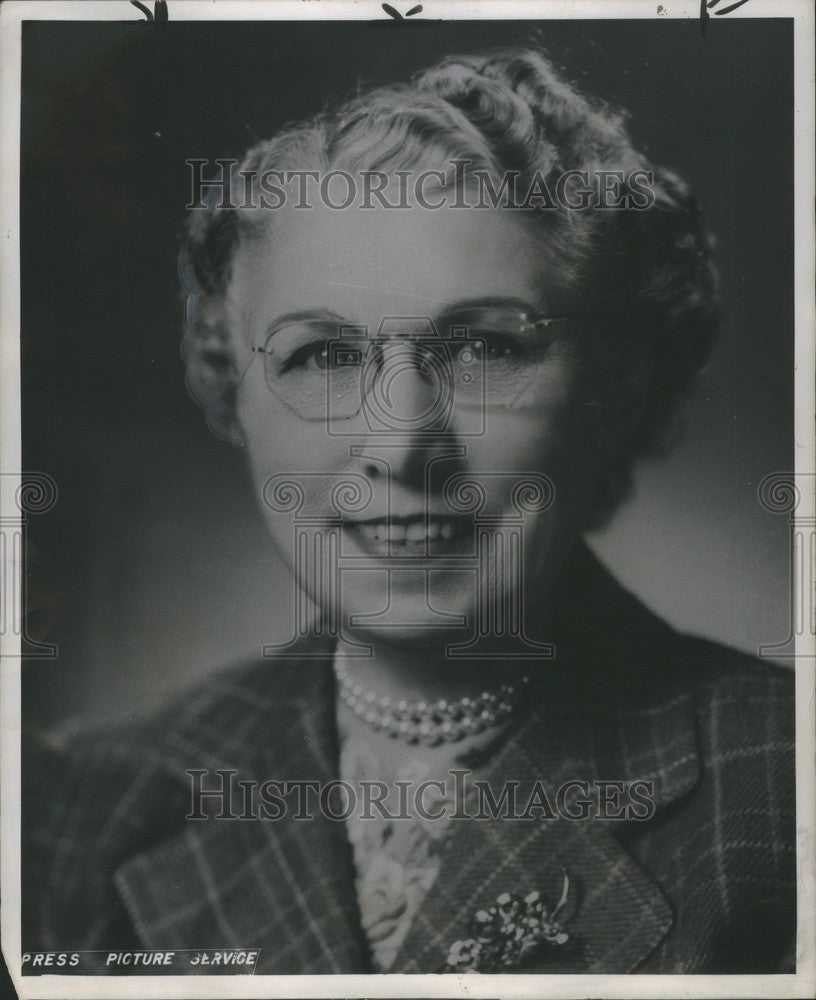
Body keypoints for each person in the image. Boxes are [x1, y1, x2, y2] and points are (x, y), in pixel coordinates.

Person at [24, 47, 795, 975]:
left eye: (483, 346)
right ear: (238, 396)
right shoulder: (74, 808)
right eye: (325, 356)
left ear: (621, 391)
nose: (400, 446)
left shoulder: (783, 779)